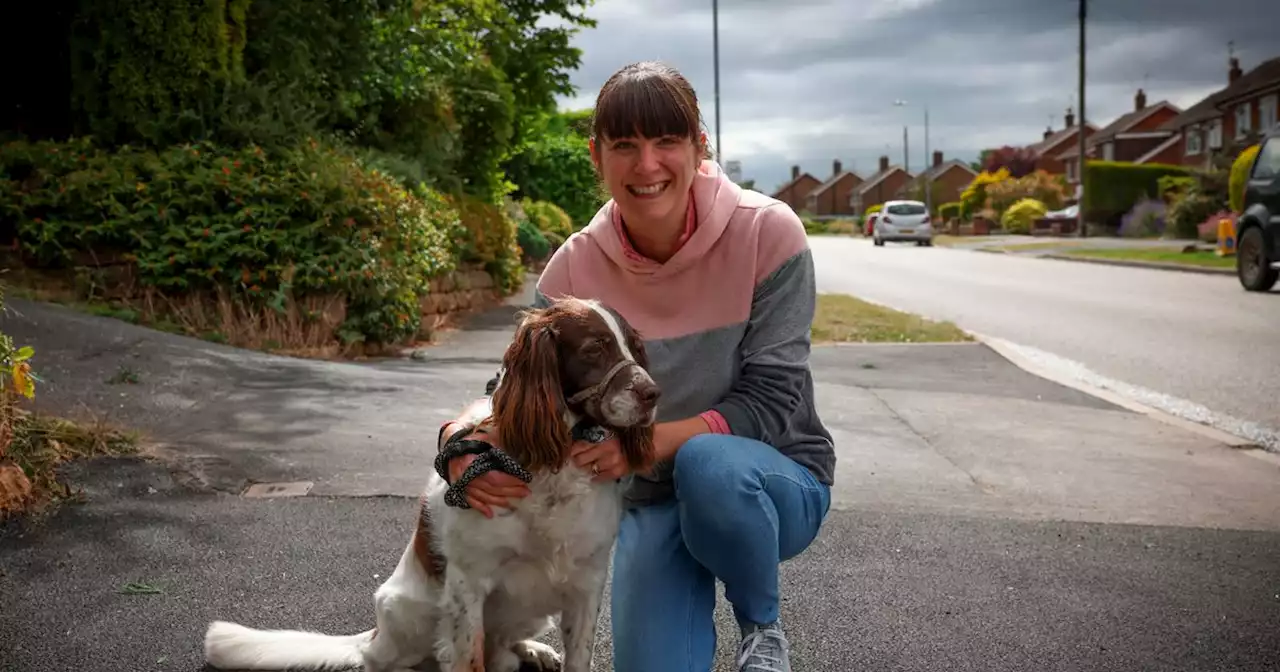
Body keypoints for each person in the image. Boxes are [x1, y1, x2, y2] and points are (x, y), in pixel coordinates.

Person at [438, 60, 835, 672]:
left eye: (666, 141)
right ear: (596, 156)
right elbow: (517, 388)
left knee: (710, 467)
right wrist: (456, 445)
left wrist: (640, 445)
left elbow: (775, 398)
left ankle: (762, 629)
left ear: (700, 147)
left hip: (769, 482)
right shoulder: (573, 269)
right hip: (648, 500)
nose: (646, 165)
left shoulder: (768, 232)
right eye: (624, 145)